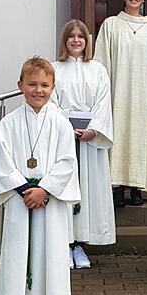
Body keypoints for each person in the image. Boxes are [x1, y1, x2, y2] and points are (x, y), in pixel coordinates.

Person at [0, 57, 80, 295]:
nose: (39, 90)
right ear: (20, 86)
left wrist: (44, 189)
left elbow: (66, 161)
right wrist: (26, 190)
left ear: (53, 87)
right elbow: (1, 162)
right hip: (20, 200)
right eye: (32, 84)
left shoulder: (61, 123)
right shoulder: (9, 123)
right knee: (17, 258)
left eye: (45, 85)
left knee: (50, 257)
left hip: (49, 202)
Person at [95, 0, 147, 207]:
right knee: (119, 134)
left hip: (145, 94)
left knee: (142, 136)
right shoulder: (111, 25)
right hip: (119, 91)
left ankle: (137, 188)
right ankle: (117, 187)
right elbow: (102, 60)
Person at [51, 19, 115, 270]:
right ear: (64, 41)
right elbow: (51, 101)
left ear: (87, 42)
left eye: (81, 37)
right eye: (71, 36)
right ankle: (64, 244)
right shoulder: (54, 69)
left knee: (87, 191)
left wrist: (94, 130)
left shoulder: (97, 69)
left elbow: (103, 102)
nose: (76, 40)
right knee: (64, 190)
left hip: (89, 140)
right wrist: (65, 126)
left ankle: (80, 246)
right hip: (65, 140)